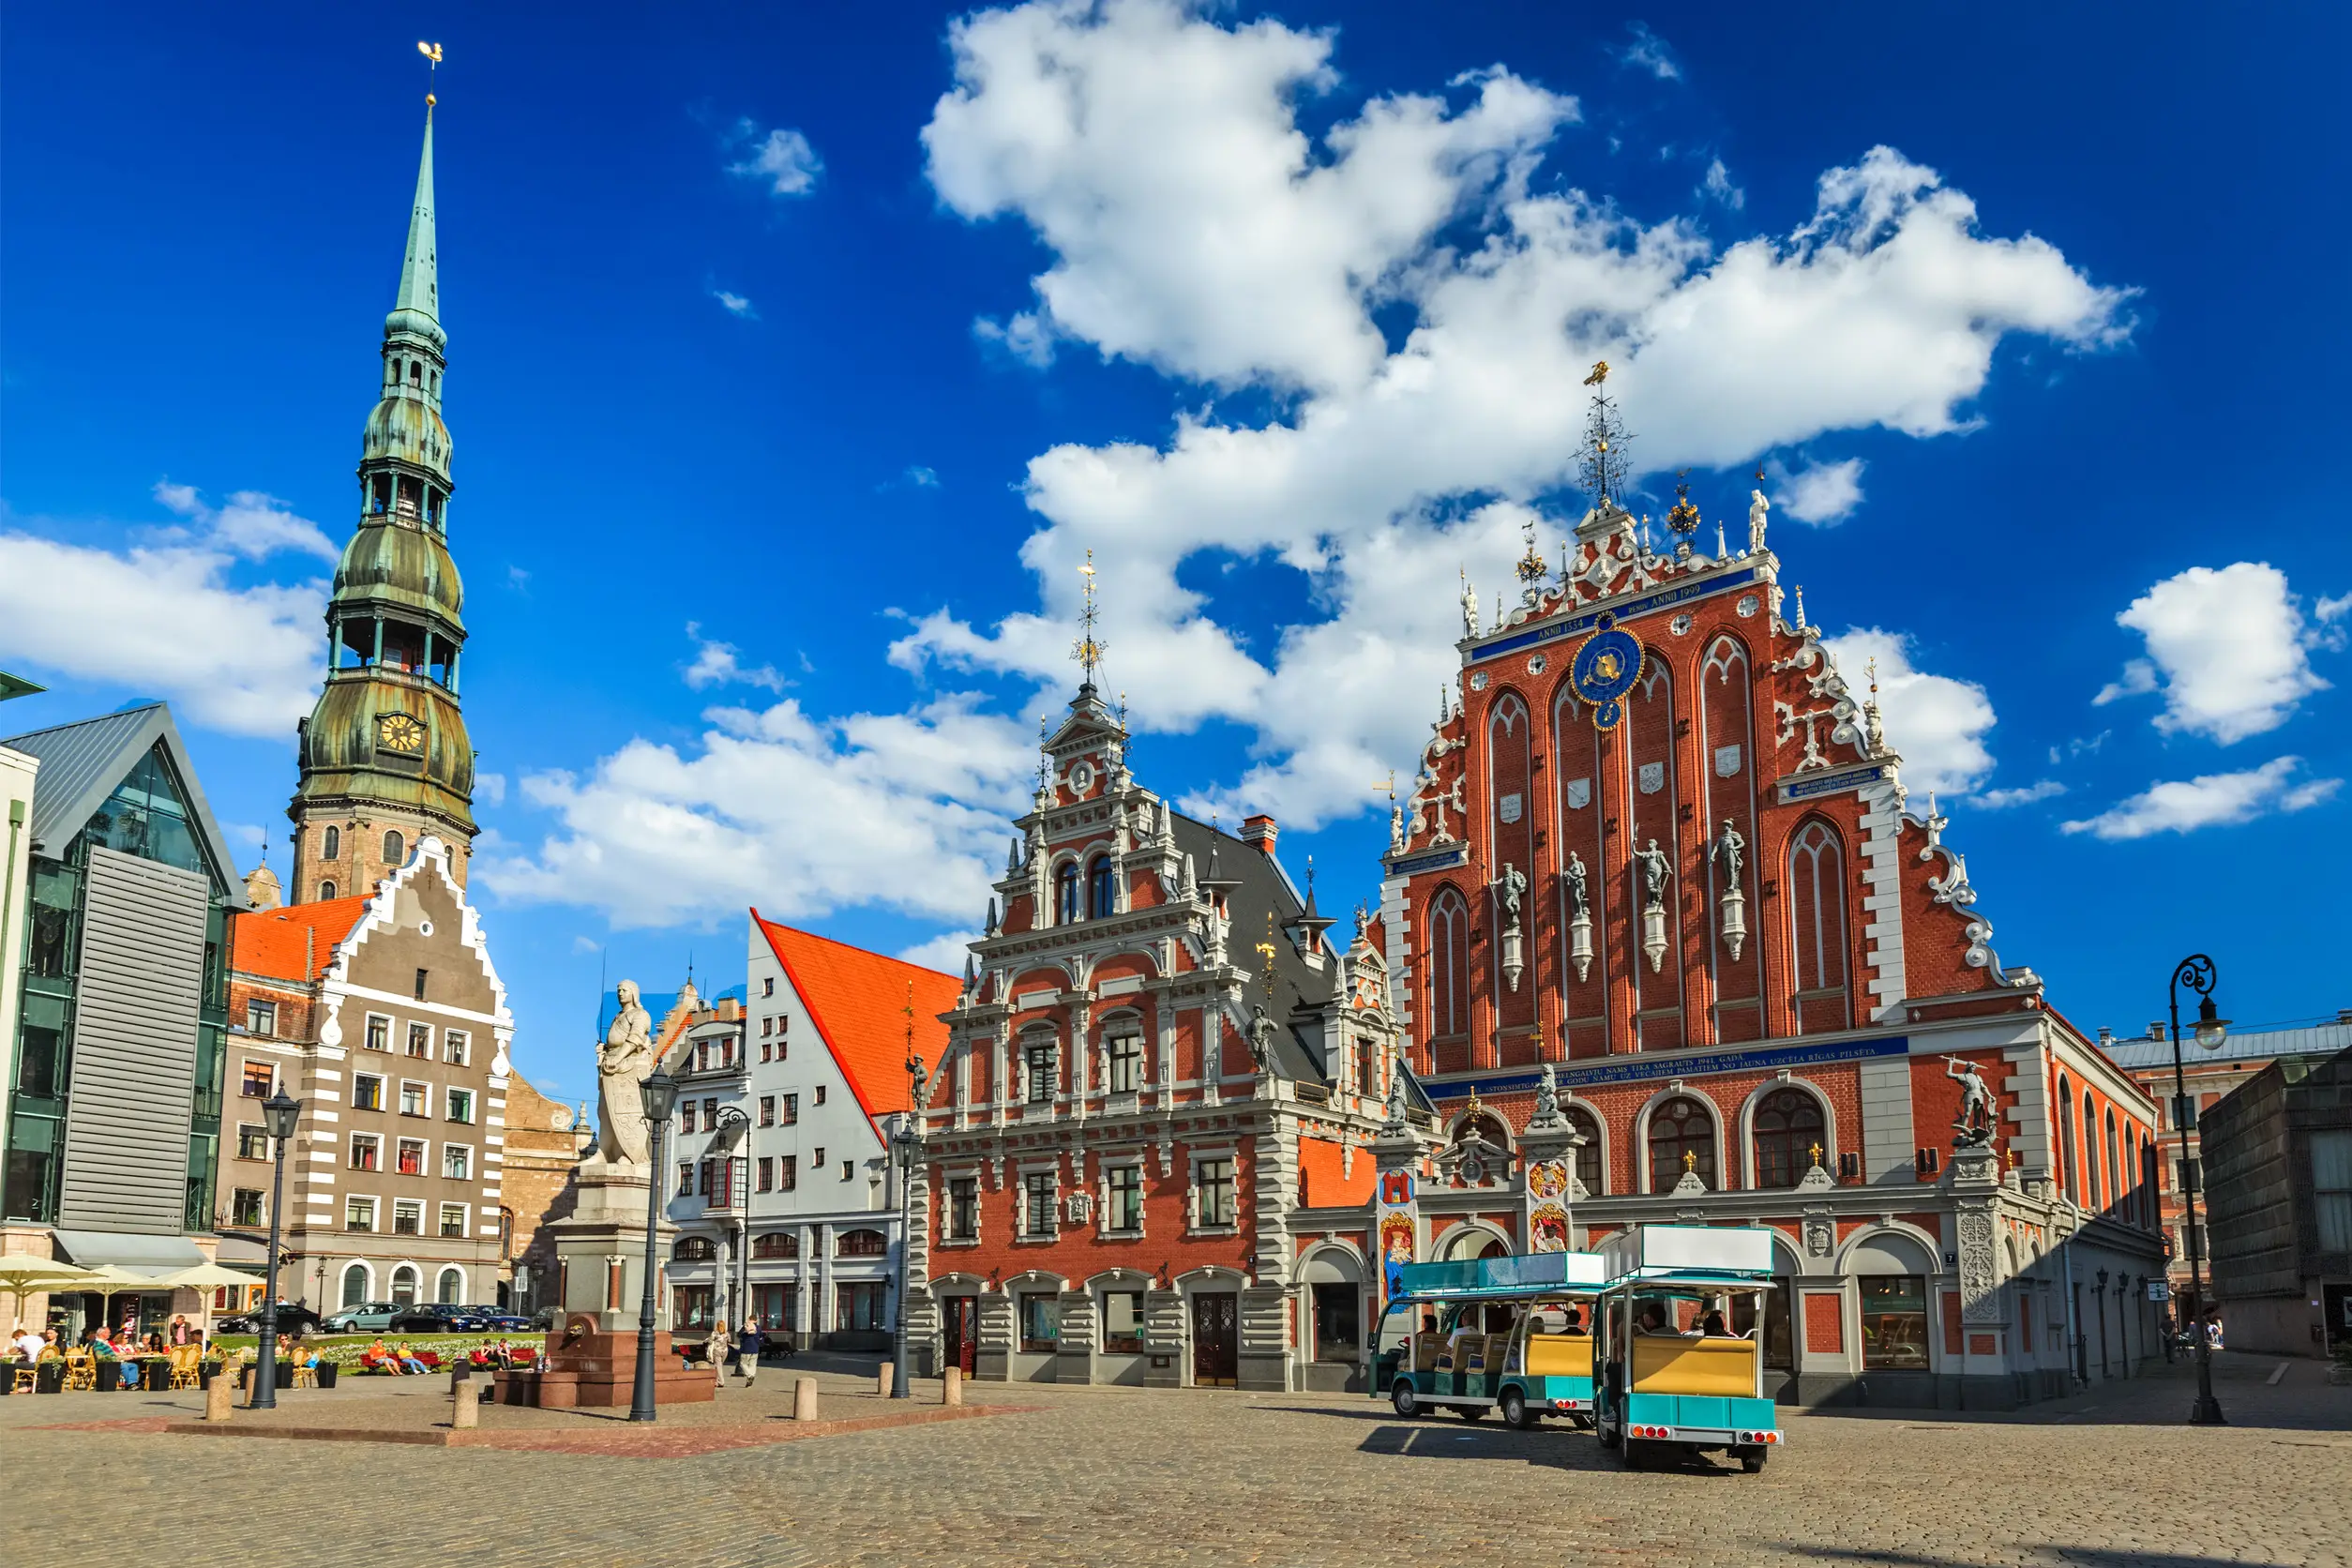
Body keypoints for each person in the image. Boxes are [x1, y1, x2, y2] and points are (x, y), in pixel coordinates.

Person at [738, 1320, 763, 1388]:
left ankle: (749, 1376)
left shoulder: (744, 1332)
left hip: (745, 1350)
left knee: (743, 1364)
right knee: (753, 1365)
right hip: (755, 1350)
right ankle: (751, 1377)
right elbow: (761, 1337)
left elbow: (738, 1335)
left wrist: (744, 1328)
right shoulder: (758, 1329)